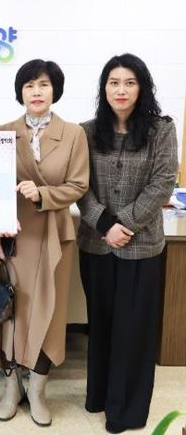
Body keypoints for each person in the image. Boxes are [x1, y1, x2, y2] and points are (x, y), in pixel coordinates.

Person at [0, 59, 89, 426]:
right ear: (20, 92)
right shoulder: (1, 133)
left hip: (54, 235)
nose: (37, 92)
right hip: (11, 236)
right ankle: (11, 388)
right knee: (8, 310)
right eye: (29, 85)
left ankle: (39, 390)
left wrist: (43, 193)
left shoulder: (74, 134)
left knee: (49, 312)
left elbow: (78, 185)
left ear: (55, 89)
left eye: (43, 84)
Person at [77, 53, 177, 434]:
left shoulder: (161, 130)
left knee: (133, 329)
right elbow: (79, 185)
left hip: (141, 246)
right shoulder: (87, 131)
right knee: (101, 324)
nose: (121, 90)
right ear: (104, 88)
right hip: (96, 243)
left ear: (142, 87)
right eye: (114, 82)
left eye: (130, 83)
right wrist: (105, 225)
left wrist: (125, 224)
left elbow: (162, 183)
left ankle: (127, 411)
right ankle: (100, 395)